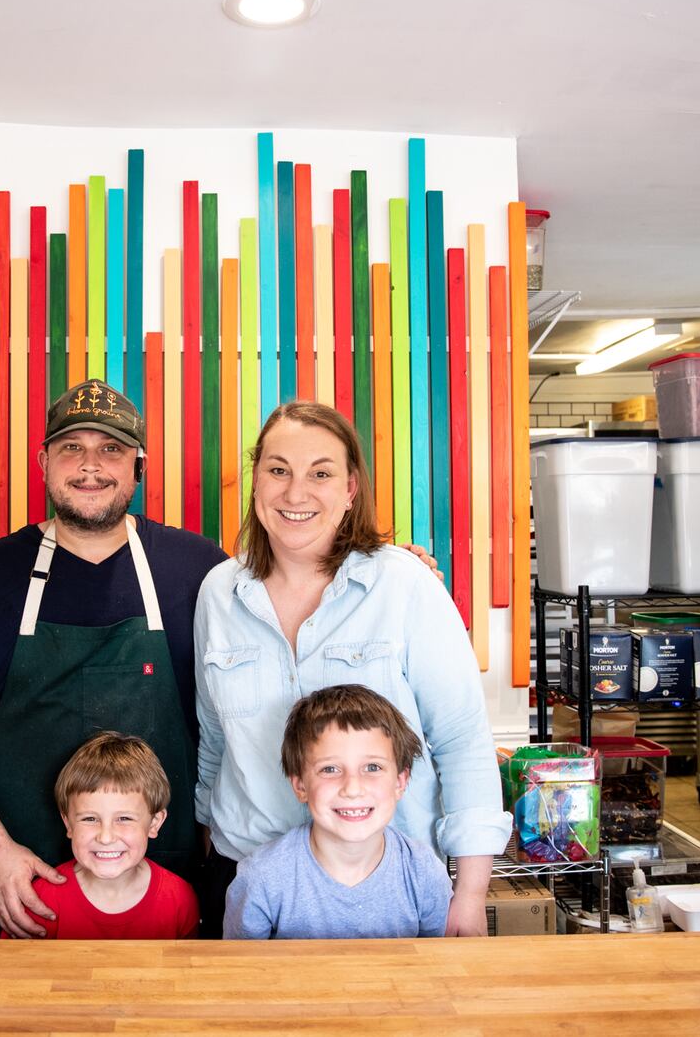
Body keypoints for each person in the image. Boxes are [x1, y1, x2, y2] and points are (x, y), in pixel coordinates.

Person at [0, 380, 225, 938]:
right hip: (18, 880)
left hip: (158, 881)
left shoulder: (199, 570)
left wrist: (386, 565)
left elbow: (290, 624)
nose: (90, 466)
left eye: (111, 449)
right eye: (71, 447)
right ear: (44, 461)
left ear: (138, 466)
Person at [194, 401, 511, 937]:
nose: (296, 493)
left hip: (387, 883)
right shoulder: (218, 593)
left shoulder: (405, 586)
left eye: (321, 473)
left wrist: (471, 892)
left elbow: (461, 742)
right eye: (278, 470)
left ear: (349, 490)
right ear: (255, 483)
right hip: (248, 873)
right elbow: (215, 742)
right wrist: (206, 853)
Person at [225, 686, 451, 939]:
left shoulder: (424, 872)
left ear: (400, 781)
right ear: (300, 785)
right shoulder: (262, 877)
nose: (352, 788)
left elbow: (433, 965)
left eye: (372, 767)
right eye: (330, 769)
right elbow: (243, 972)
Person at [9, 731, 200, 939]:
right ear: (68, 823)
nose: (106, 837)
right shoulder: (41, 899)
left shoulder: (180, 898)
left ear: (154, 822)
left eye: (124, 819)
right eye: (90, 819)